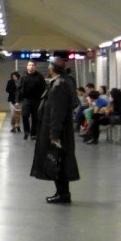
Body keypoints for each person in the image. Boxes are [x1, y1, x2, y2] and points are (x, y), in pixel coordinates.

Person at [29, 57, 79, 204]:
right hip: (59, 130)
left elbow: (57, 112)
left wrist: (54, 135)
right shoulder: (65, 81)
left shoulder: (59, 85)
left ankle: (63, 194)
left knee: (57, 161)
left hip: (57, 131)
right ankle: (61, 192)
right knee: (58, 160)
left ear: (51, 69)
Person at [17, 60, 46, 140]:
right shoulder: (23, 77)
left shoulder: (39, 76)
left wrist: (44, 99)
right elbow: (19, 89)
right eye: (29, 65)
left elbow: (44, 88)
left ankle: (34, 133)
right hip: (26, 100)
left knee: (35, 117)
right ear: (27, 67)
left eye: (33, 65)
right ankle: (26, 131)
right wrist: (17, 101)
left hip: (37, 100)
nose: (31, 66)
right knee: (24, 115)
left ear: (35, 67)